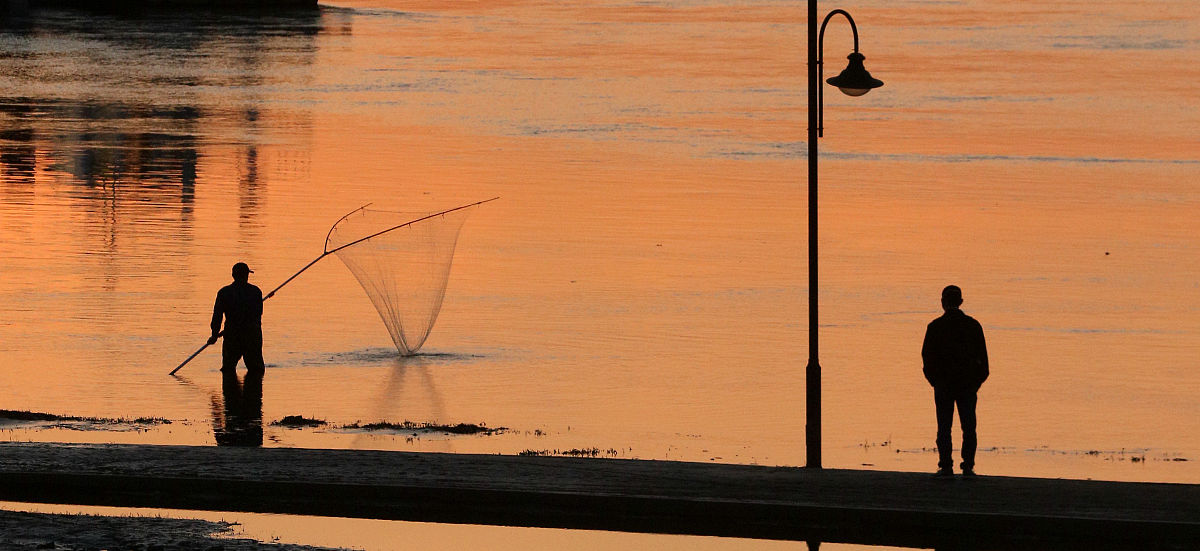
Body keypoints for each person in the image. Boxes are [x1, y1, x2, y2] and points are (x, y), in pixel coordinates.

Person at [921, 285, 988, 477]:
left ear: (943, 302)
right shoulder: (973, 326)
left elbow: (927, 358)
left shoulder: (935, 327)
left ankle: (945, 465)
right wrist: (976, 382)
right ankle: (968, 466)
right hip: (967, 385)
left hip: (944, 384)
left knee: (944, 426)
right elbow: (984, 362)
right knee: (968, 427)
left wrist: (934, 381)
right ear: (961, 302)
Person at [209, 262, 265, 375]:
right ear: (246, 275)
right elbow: (257, 315)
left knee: (228, 369)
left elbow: (217, 315)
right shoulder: (256, 292)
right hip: (252, 336)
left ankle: (230, 391)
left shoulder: (224, 292)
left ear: (233, 275)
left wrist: (214, 334)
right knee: (257, 370)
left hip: (232, 335)